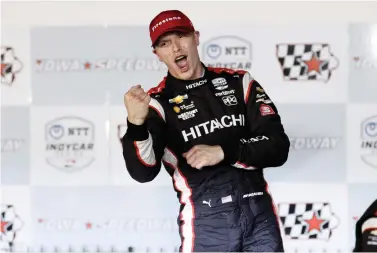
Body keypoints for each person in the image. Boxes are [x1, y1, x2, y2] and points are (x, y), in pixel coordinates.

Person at [121, 9, 290, 252]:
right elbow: (142, 172)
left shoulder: (239, 82)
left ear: (196, 37)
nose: (176, 48)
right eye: (165, 43)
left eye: (181, 37)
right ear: (157, 54)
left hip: (259, 219)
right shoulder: (157, 103)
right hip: (207, 224)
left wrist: (223, 152)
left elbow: (278, 147)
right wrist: (135, 125)